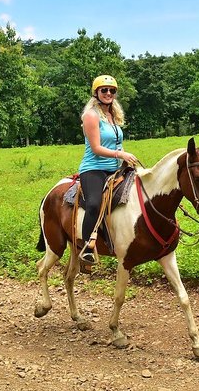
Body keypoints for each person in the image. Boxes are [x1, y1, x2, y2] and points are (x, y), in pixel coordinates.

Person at [78, 75, 137, 264]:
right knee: (94, 204)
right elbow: (96, 148)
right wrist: (121, 155)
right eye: (104, 90)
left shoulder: (114, 116)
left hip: (114, 169)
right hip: (94, 169)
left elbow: (117, 144)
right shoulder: (91, 115)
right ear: (96, 93)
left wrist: (126, 158)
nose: (109, 93)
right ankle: (87, 247)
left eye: (112, 91)